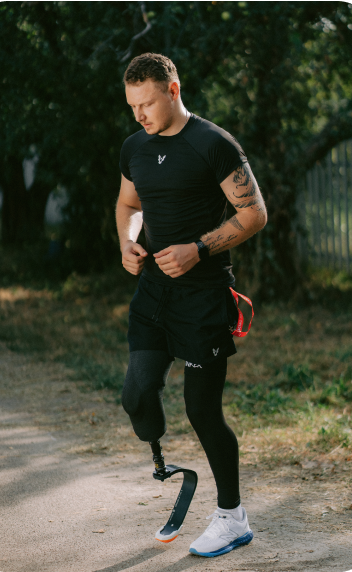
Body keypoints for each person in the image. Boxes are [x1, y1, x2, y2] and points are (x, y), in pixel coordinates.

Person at [116, 52, 267, 558]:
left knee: (202, 409)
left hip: (203, 298)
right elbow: (128, 205)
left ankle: (232, 518)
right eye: (132, 105)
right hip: (152, 295)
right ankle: (162, 461)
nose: (139, 115)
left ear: (174, 91)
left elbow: (254, 213)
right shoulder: (134, 147)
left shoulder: (212, 144)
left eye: (147, 103)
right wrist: (127, 241)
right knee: (136, 395)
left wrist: (198, 248)